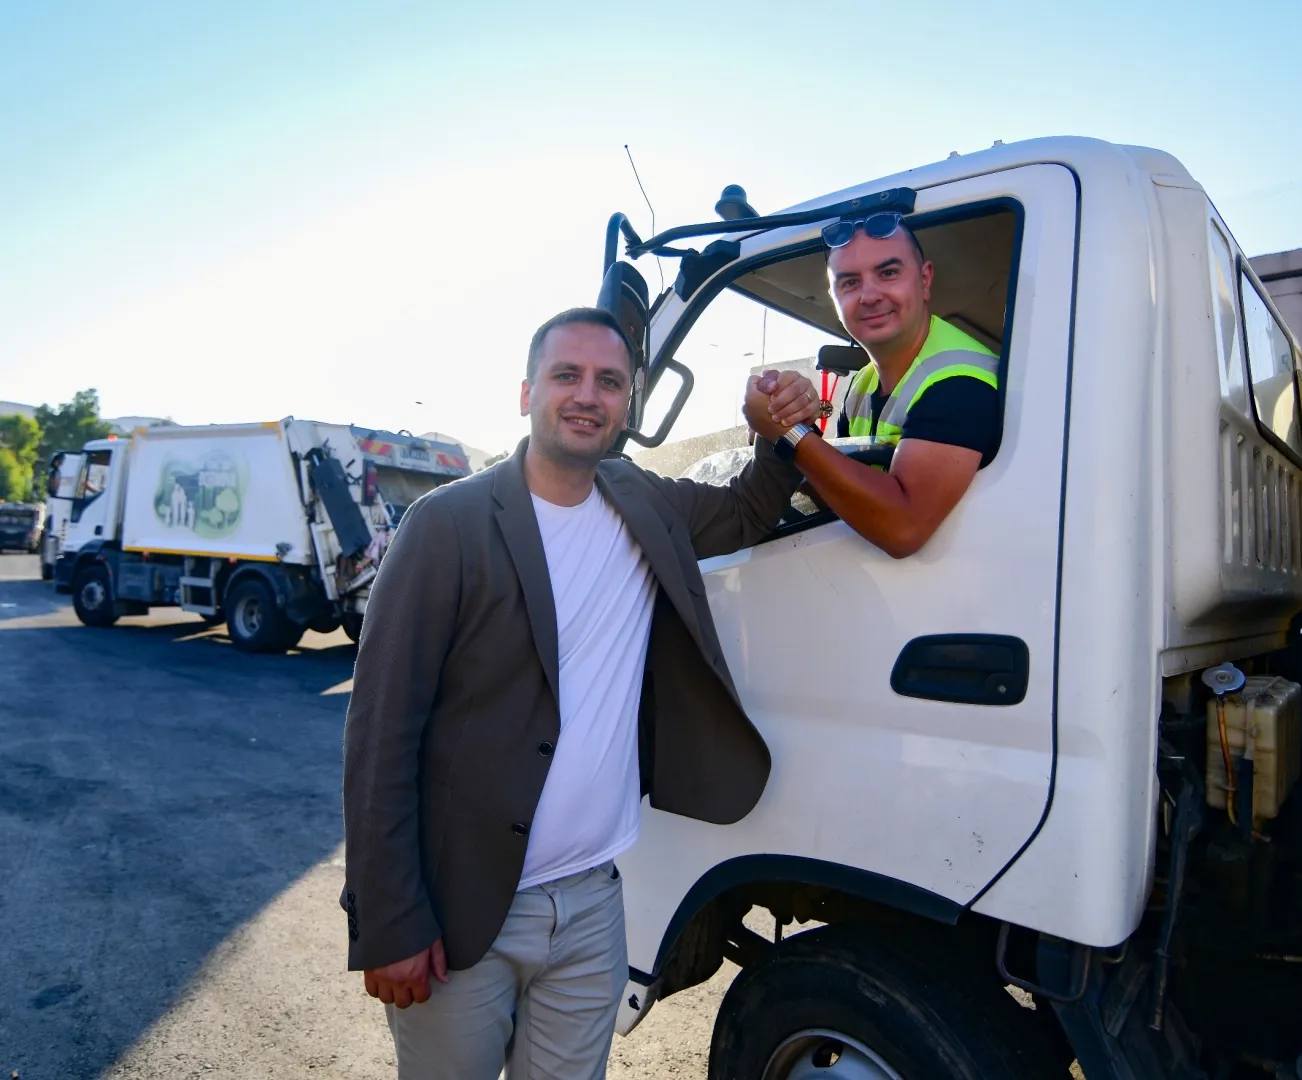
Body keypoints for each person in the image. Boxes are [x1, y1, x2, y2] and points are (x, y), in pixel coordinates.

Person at [340, 306, 820, 1080]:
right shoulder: (447, 523)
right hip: (464, 907)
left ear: (628, 404)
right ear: (526, 391)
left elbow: (744, 511)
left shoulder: (643, 501)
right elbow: (380, 732)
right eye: (567, 375)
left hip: (594, 905)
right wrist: (389, 919)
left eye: (609, 381)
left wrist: (780, 431)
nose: (587, 395)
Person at [750, 212, 1000, 558]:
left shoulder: (959, 380)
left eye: (888, 273)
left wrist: (791, 437)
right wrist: (786, 417)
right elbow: (846, 498)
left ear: (925, 279)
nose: (869, 295)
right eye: (850, 282)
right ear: (834, 298)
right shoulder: (861, 385)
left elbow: (903, 528)